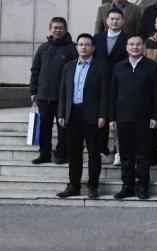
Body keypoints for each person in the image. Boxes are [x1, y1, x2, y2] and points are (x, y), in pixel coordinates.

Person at [108, 36, 157, 200]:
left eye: (138, 44)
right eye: (131, 44)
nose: (135, 47)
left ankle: (142, 186)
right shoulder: (119, 67)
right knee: (126, 155)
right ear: (126, 48)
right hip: (123, 118)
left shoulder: (152, 67)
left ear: (143, 47)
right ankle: (127, 186)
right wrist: (112, 117)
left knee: (143, 155)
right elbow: (112, 94)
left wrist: (155, 116)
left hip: (144, 119)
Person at [55, 33, 106, 199]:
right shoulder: (68, 66)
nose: (84, 47)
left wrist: (102, 114)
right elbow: (63, 91)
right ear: (76, 47)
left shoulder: (101, 66)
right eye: (81, 44)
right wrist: (61, 113)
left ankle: (92, 186)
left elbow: (105, 93)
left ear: (93, 48)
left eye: (87, 44)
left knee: (93, 153)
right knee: (74, 153)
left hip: (92, 115)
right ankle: (74, 186)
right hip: (72, 114)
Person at [30, 17, 76, 165]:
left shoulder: (72, 48)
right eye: (55, 27)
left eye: (61, 28)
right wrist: (33, 91)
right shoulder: (43, 48)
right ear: (50, 29)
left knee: (63, 127)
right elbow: (35, 70)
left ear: (66, 29)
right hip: (44, 95)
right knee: (45, 126)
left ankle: (62, 154)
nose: (58, 30)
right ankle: (44, 154)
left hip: (64, 97)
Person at [93, 8, 127, 163]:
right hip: (100, 81)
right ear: (106, 21)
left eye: (118, 19)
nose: (114, 21)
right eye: (112, 19)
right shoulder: (97, 38)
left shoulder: (128, 39)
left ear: (123, 21)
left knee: (117, 117)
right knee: (101, 115)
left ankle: (118, 151)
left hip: (121, 81)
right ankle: (102, 150)